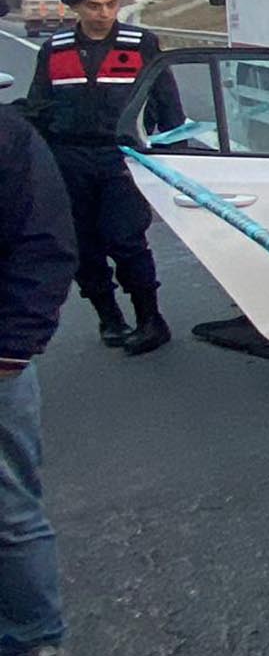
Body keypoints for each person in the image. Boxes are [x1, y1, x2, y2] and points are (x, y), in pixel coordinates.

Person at [23, 0, 181, 356]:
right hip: (69, 158)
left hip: (122, 156)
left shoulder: (141, 43)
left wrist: (175, 150)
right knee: (83, 245)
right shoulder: (55, 48)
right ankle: (109, 318)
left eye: (111, 4)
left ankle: (150, 320)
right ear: (75, 8)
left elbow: (167, 103)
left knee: (126, 240)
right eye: (94, 7)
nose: (105, 13)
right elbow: (38, 108)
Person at [0, 95, 79, 655]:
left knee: (9, 518)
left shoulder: (7, 140)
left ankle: (34, 642)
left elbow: (44, 240)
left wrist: (10, 349)